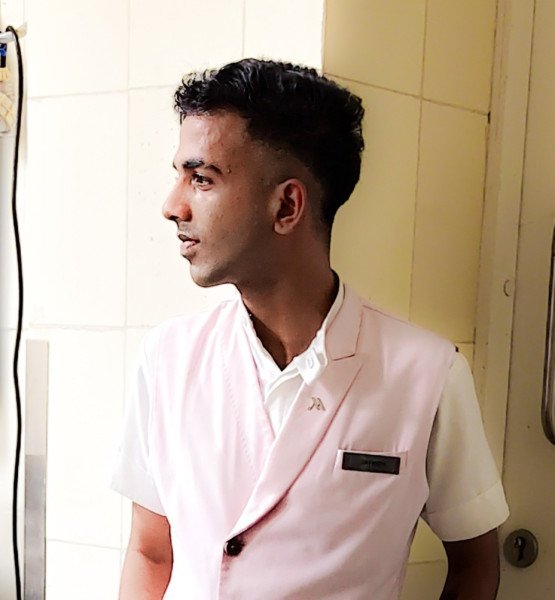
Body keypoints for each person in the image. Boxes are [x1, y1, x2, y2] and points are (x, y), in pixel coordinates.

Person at [110, 58, 509, 600]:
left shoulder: (426, 375)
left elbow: (475, 564)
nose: (171, 206)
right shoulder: (168, 359)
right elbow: (151, 551)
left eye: (201, 179)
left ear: (287, 205)